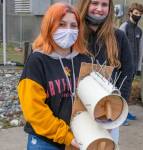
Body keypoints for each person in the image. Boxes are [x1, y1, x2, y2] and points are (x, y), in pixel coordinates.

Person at [17, 2, 91, 150]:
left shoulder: (84, 59)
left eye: (73, 25)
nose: (68, 30)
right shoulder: (37, 61)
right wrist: (66, 136)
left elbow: (89, 97)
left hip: (79, 135)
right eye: (61, 24)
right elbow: (35, 112)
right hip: (45, 142)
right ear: (49, 26)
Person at [76, 0, 134, 144]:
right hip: (76, 111)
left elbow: (127, 73)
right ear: (85, 5)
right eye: (94, 3)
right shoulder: (73, 33)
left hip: (106, 112)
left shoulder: (119, 37)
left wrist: (116, 110)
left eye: (104, 5)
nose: (99, 9)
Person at [120, 3, 143, 123]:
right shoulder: (124, 27)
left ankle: (125, 111)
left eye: (140, 14)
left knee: (128, 89)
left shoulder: (140, 31)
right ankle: (120, 115)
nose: (138, 16)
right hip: (123, 66)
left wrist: (138, 67)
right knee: (121, 90)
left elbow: (141, 50)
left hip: (133, 66)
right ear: (130, 13)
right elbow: (117, 47)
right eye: (136, 13)